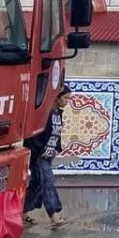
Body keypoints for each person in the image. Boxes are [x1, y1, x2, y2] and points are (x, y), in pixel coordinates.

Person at [23, 88, 71, 229]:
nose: (67, 102)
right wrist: (39, 151)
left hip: (48, 156)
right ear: (57, 97)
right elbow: (33, 135)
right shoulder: (43, 113)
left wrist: (56, 149)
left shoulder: (58, 114)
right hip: (39, 156)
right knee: (47, 183)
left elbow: (56, 134)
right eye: (66, 98)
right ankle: (55, 217)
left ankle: (20, 212)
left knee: (37, 185)